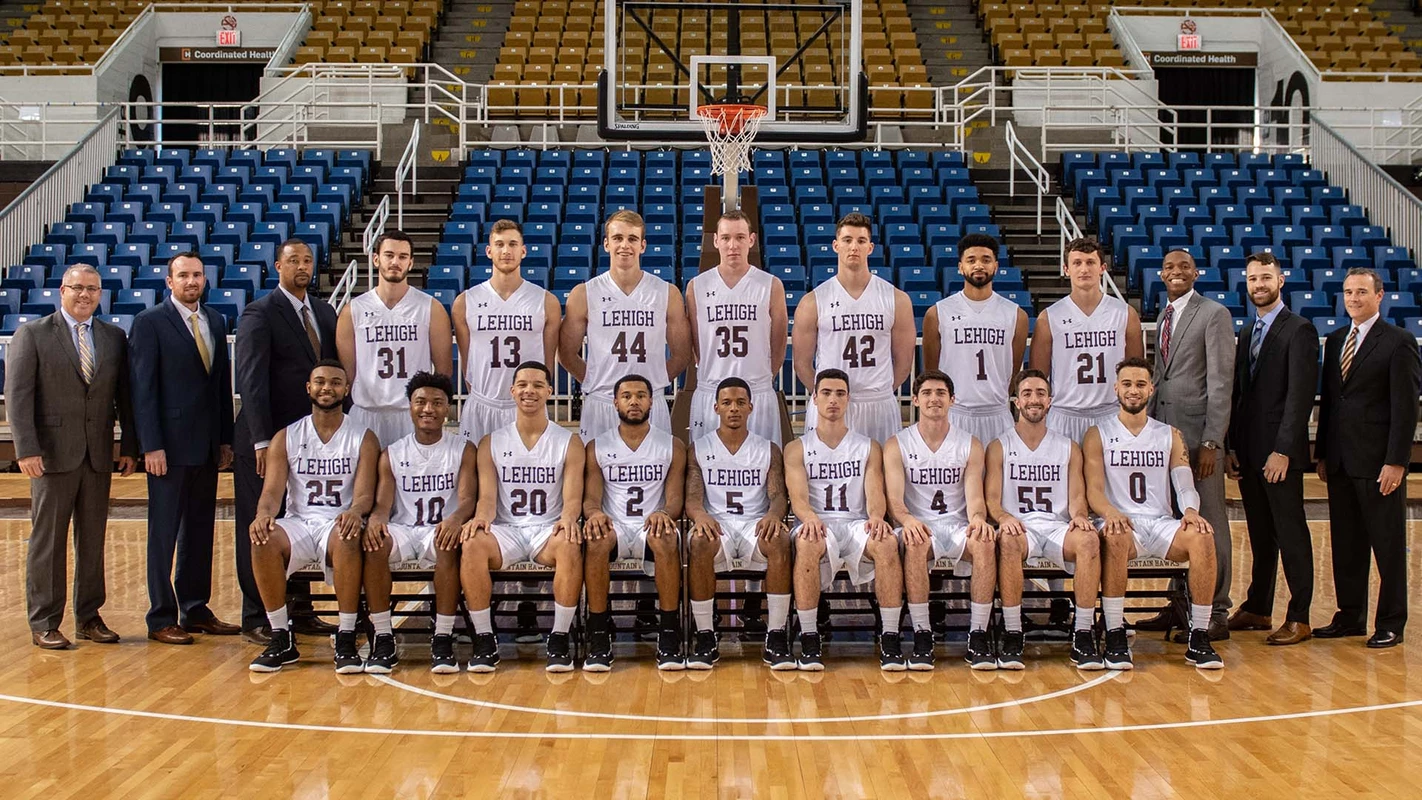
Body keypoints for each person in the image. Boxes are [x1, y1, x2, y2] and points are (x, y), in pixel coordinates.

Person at [7, 264, 137, 649]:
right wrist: (26, 449)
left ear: (101, 294)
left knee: (92, 540)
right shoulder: (33, 334)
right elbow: (18, 397)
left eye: (92, 289)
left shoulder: (113, 336)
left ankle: (89, 616)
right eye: (77, 288)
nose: (84, 295)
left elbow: (125, 398)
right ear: (61, 291)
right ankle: (45, 621)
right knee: (48, 542)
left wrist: (129, 447)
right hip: (50, 456)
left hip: (97, 455)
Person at [1083, 357, 1223, 670]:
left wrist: (1190, 511)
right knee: (1115, 537)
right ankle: (1115, 633)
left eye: (1140, 384)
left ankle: (1199, 636)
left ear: (1151, 389)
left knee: (1202, 536)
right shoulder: (1097, 433)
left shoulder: (1170, 434)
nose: (1133, 390)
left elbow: (1184, 481)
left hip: (1160, 523)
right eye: (1127, 384)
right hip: (1120, 523)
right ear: (1116, 388)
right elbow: (1093, 491)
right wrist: (1110, 512)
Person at [128, 251, 237, 645]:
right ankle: (160, 616)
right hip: (168, 449)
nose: (192, 281)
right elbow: (142, 390)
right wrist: (151, 446)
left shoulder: (215, 319)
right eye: (184, 275)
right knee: (163, 535)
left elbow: (220, 386)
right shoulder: (150, 322)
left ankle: (195, 608)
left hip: (206, 446)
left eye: (197, 275)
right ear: (169, 282)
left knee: (199, 531)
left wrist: (225, 438)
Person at [234, 239, 339, 643]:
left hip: (307, 439)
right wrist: (261, 440)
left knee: (297, 521)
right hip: (266, 438)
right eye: (293, 260)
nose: (302, 266)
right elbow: (251, 381)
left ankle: (300, 610)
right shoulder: (259, 312)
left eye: (307, 260)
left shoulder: (324, 312)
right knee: (261, 525)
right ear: (278, 266)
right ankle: (257, 614)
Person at [246, 361, 380, 672]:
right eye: (320, 382)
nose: (326, 388)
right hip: (300, 522)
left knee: (347, 535)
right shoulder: (287, 436)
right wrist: (263, 515)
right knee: (262, 538)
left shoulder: (363, 437)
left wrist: (355, 512)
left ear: (346, 390)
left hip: (338, 522)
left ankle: (346, 635)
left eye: (335, 382)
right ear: (309, 388)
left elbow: (364, 495)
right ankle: (281, 636)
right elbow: (271, 493)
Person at [1315, 268, 1421, 649]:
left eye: (1361, 291)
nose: (1353, 298)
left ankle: (1391, 621)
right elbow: (1330, 403)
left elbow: (1406, 408)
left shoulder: (1398, 341)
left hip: (1379, 463)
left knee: (1388, 546)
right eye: (1348, 292)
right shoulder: (1336, 341)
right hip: (1341, 461)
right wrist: (1322, 453)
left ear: (1379, 296)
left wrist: (1397, 461)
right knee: (1346, 544)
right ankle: (1350, 616)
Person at [461, 361, 585, 672]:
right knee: (472, 543)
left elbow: (572, 499)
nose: (530, 391)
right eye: (523, 385)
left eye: (538, 385)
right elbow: (487, 499)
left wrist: (569, 519)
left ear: (550, 391)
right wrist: (480, 518)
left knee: (570, 543)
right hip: (507, 529)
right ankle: (484, 638)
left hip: (547, 529)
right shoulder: (491, 442)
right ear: (513, 391)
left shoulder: (569, 442)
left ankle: (559, 637)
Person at [1139, 248, 1235, 642]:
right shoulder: (1166, 315)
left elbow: (1221, 383)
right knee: (1178, 520)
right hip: (1166, 434)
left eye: (1184, 266)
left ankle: (1217, 610)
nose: (1176, 272)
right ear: (1161, 275)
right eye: (1169, 267)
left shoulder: (1213, 314)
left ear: (1196, 273)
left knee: (1208, 521)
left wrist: (1212, 439)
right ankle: (1179, 603)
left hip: (1198, 437)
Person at [1225, 252, 1319, 646]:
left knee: (1290, 532)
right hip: (1249, 451)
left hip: (1279, 453)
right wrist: (1232, 445)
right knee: (1261, 534)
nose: (1259, 285)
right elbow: (1240, 395)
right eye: (1252, 279)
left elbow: (1299, 397)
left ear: (1281, 280)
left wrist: (1283, 450)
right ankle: (1259, 608)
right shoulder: (1248, 331)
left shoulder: (1300, 330)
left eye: (1266, 277)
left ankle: (1299, 616)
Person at [985, 369, 1104, 669]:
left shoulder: (1068, 447)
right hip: (1020, 527)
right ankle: (1013, 631)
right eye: (1027, 393)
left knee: (1089, 540)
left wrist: (1079, 516)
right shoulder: (999, 446)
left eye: (1040, 393)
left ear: (1050, 401)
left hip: (1056, 527)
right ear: (1016, 401)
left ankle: (1083, 632)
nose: (1034, 399)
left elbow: (1077, 497)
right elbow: (992, 500)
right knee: (1008, 541)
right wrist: (1003, 517)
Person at [784, 369, 901, 671]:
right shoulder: (797, 448)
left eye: (839, 394)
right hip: (817, 523)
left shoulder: (868, 446)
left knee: (887, 542)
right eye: (826, 393)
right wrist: (809, 518)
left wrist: (877, 517)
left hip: (855, 523)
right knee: (808, 543)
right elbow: (798, 499)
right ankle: (809, 636)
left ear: (849, 399)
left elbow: (874, 493)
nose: (833, 400)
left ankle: (890, 636)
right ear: (814, 398)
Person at [884, 369, 998, 670]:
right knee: (916, 543)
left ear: (952, 400)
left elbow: (975, 497)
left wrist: (978, 519)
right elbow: (894, 500)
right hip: (918, 525)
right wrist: (908, 520)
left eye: (940, 393)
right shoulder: (897, 444)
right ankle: (922, 634)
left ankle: (978, 634)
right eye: (927, 393)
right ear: (915, 400)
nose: (934, 399)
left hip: (958, 525)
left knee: (985, 543)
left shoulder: (970, 444)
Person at [364, 371, 478, 674]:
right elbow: (382, 505)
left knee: (447, 543)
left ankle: (442, 636)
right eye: (421, 402)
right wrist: (375, 520)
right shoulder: (392, 453)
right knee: (374, 544)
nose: (428, 409)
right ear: (410, 406)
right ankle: (383, 637)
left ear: (447, 408)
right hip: (404, 529)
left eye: (437, 403)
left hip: (440, 529)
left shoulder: (463, 449)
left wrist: (456, 519)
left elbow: (468, 499)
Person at [683, 378, 794, 670]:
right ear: (716, 407)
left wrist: (773, 515)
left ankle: (776, 635)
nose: (734, 408)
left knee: (780, 539)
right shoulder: (698, 449)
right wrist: (700, 516)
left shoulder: (768, 449)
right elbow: (692, 498)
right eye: (727, 403)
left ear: (750, 408)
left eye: (740, 403)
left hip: (753, 524)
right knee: (698, 540)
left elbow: (778, 496)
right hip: (717, 525)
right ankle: (705, 635)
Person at [582, 374, 688, 671]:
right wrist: (595, 514)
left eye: (641, 395)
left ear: (651, 402)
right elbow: (590, 499)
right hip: (614, 525)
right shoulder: (597, 446)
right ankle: (599, 632)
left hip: (651, 525)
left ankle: (669, 632)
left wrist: (664, 513)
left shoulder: (672, 445)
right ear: (615, 402)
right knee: (596, 539)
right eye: (626, 396)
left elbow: (675, 499)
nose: (634, 401)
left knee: (665, 537)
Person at [560, 210, 691, 440]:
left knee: (655, 462)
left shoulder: (666, 293)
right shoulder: (584, 293)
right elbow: (566, 353)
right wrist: (595, 379)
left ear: (642, 245)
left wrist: (654, 381)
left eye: (632, 239)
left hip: (649, 402)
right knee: (597, 463)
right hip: (602, 400)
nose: (625, 245)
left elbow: (682, 354)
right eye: (618, 238)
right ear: (606, 244)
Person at [792, 212, 915, 443]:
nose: (854, 247)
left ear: (871, 247)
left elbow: (904, 362)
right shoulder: (813, 301)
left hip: (878, 404)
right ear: (836, 245)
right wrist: (827, 394)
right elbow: (801, 363)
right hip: (832, 405)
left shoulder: (896, 299)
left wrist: (878, 390)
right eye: (847, 240)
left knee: (882, 466)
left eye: (861, 241)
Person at [336, 229, 453, 447]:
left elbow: (444, 370)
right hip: (365, 412)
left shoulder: (431, 308)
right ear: (376, 259)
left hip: (410, 413)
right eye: (389, 255)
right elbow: (347, 374)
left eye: (402, 256)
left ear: (411, 263)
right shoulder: (353, 310)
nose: (395, 262)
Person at [453, 219, 561, 444]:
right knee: (476, 466)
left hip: (527, 406)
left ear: (523, 251)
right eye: (499, 244)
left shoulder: (546, 301)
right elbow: (467, 365)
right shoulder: (465, 302)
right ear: (488, 251)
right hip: (482, 404)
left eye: (512, 244)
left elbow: (547, 364)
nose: (506, 251)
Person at [685, 210, 789, 443]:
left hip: (756, 391)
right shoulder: (696, 287)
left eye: (740, 237)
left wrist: (761, 378)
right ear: (716, 241)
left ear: (751, 240)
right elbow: (696, 346)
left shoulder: (770, 285)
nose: (733, 245)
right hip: (712, 391)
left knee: (763, 462)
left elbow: (779, 343)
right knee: (707, 463)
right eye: (726, 238)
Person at [1029, 237, 1144, 443]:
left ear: (1102, 268)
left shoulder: (1125, 314)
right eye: (1077, 263)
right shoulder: (1049, 317)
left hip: (1110, 412)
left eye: (1090, 262)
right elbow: (1039, 375)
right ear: (1066, 269)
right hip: (1065, 413)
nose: (1084, 269)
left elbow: (1136, 371)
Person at [921, 233, 1029, 444]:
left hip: (997, 413)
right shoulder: (938, 313)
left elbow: (1013, 370)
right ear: (960, 267)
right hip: (955, 413)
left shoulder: (1016, 315)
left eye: (986, 260)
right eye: (971, 260)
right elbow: (932, 371)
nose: (979, 265)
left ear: (996, 266)